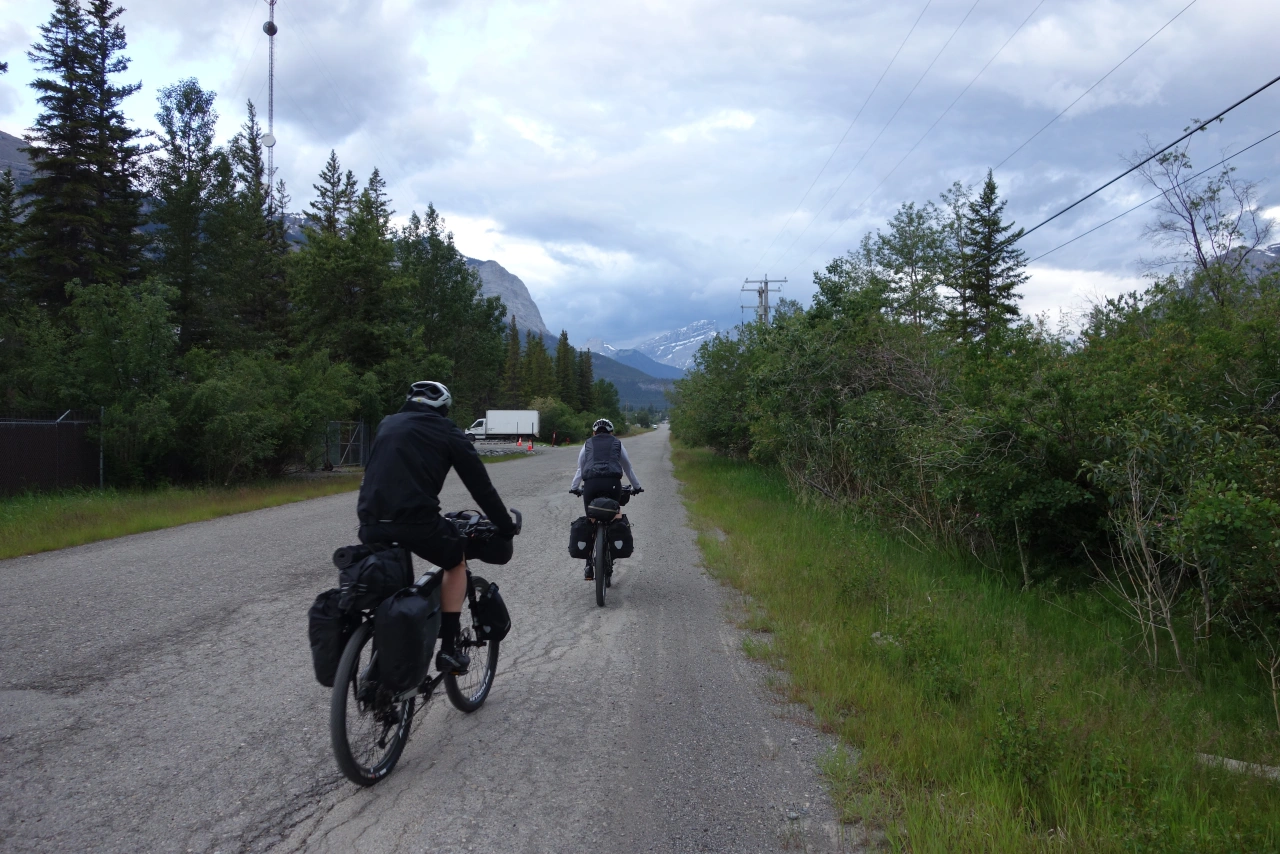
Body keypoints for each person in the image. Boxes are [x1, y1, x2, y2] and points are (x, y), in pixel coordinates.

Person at [357, 381, 517, 674]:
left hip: (369, 522)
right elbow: (481, 488)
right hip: (417, 523)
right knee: (455, 562)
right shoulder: (447, 431)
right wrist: (505, 526)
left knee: (392, 588)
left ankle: (384, 657)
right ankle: (449, 651)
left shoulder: (387, 423)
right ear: (443, 408)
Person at [569, 418, 642, 580]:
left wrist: (574, 488)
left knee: (591, 517)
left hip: (591, 484)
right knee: (615, 514)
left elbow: (581, 468)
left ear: (594, 433)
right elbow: (627, 467)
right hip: (612, 484)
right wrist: (637, 486)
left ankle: (589, 564)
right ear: (611, 432)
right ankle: (612, 553)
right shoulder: (617, 443)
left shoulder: (587, 444)